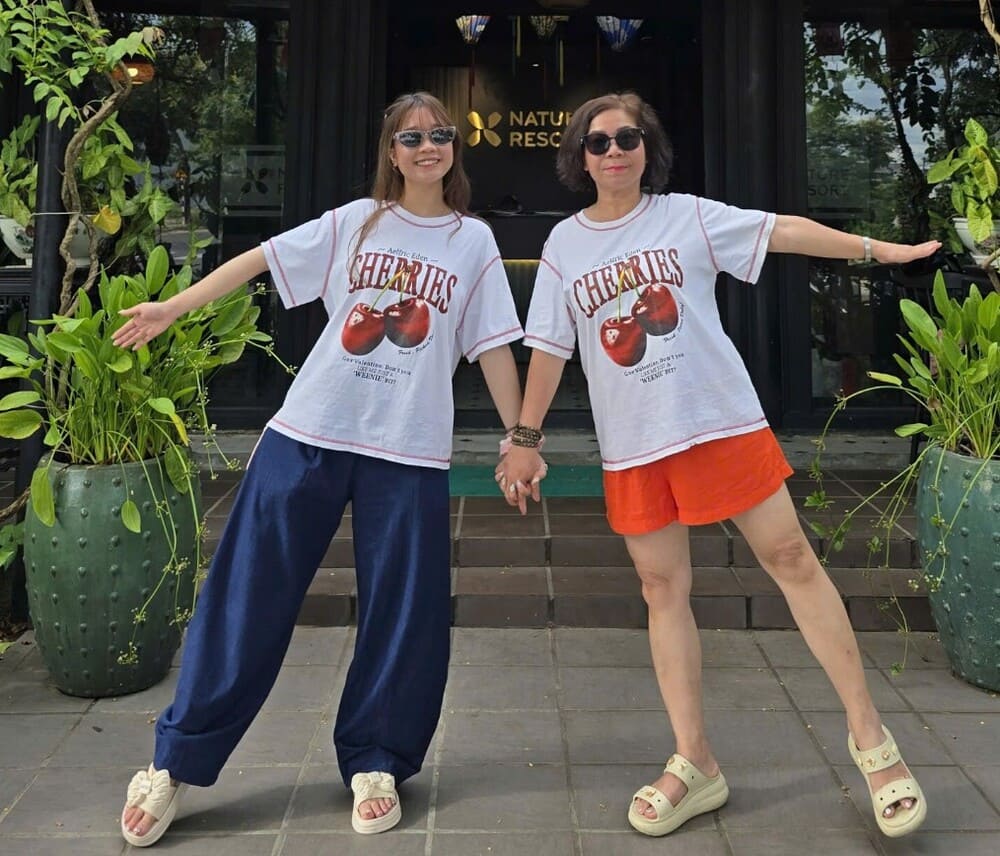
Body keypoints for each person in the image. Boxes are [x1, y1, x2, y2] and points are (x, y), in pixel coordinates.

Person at [497, 91, 937, 840]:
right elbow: (550, 347)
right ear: (579, 157)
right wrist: (524, 436)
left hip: (719, 423)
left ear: (648, 147)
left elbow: (784, 231)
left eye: (628, 138)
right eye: (598, 142)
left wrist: (879, 251)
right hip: (636, 442)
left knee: (792, 557)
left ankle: (873, 742)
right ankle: (695, 760)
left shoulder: (687, 216)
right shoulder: (565, 246)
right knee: (661, 586)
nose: (614, 152)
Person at [115, 91, 526, 846]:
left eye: (440, 135)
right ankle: (174, 762)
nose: (427, 147)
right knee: (247, 596)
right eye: (411, 137)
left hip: (407, 449)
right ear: (391, 150)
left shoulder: (473, 242)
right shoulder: (355, 221)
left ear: (453, 147)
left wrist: (521, 434)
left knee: (405, 613)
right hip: (309, 431)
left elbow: (493, 344)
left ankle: (377, 758)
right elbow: (260, 258)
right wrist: (175, 307)